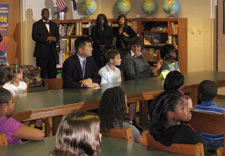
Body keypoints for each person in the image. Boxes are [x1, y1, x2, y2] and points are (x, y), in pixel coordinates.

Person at [122, 37, 162, 127]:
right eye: (134, 47)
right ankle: (133, 121)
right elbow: (131, 76)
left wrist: (155, 69)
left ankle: (153, 120)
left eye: (139, 47)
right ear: (131, 47)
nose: (137, 49)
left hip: (145, 82)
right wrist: (151, 72)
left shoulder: (142, 54)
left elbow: (146, 69)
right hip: (133, 84)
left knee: (157, 93)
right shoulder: (128, 58)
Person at [195, 80, 225, 151]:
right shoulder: (222, 112)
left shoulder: (195, 109)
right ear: (215, 96)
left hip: (202, 143)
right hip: (219, 145)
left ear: (199, 95)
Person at [32, 8, 59, 78]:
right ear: (41, 14)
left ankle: (53, 87)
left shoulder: (54, 24)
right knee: (43, 73)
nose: (46, 15)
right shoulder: (36, 24)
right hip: (42, 52)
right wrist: (46, 38)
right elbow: (34, 37)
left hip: (52, 52)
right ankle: (44, 87)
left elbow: (57, 36)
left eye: (48, 14)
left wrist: (55, 38)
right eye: (45, 13)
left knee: (52, 71)